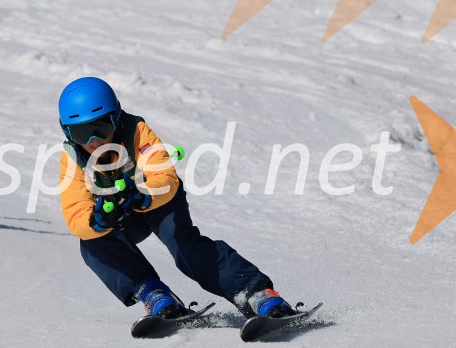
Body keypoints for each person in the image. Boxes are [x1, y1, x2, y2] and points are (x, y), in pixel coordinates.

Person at [58, 77, 294, 320]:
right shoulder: (73, 159)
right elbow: (75, 210)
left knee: (184, 246)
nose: (93, 141)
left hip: (159, 201)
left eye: (101, 128)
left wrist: (142, 195)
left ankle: (256, 293)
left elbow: (165, 177)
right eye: (81, 133)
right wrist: (98, 220)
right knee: (93, 244)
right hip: (119, 212)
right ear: (67, 132)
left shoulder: (136, 132)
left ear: (116, 118)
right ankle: (153, 294)